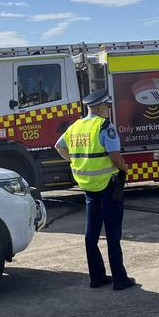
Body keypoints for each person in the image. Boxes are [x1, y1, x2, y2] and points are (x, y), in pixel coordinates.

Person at [55, 89, 137, 291]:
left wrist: (75, 161)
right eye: (107, 106)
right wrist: (125, 170)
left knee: (91, 234)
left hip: (88, 186)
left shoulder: (76, 126)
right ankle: (120, 279)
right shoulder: (105, 127)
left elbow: (59, 146)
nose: (108, 110)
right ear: (100, 107)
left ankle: (97, 277)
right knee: (112, 233)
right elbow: (115, 156)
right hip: (108, 186)